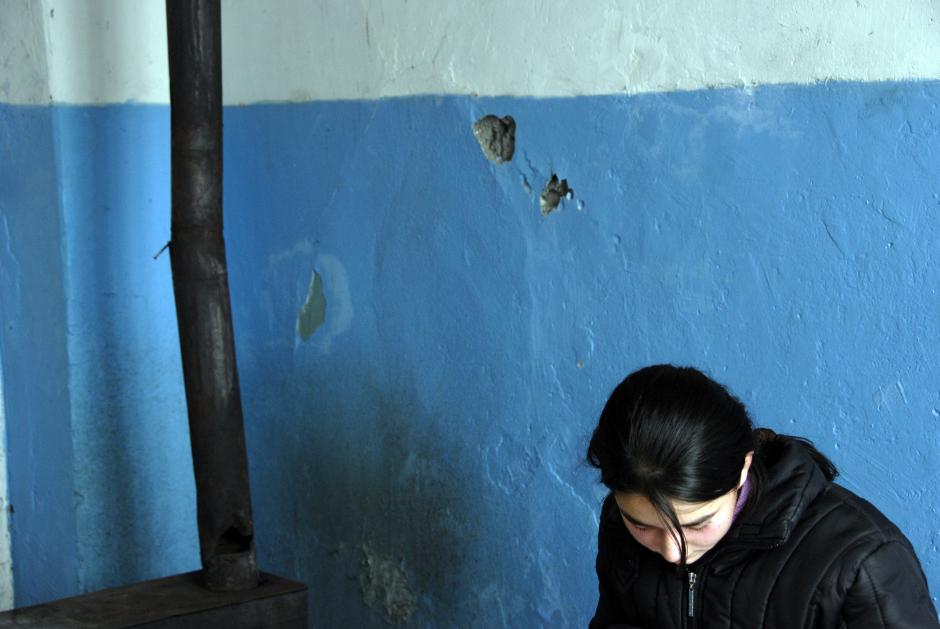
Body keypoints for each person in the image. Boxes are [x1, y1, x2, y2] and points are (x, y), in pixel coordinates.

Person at [586, 364, 938, 628]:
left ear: (743, 468)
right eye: (641, 525)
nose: (672, 552)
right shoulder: (619, 521)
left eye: (698, 524)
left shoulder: (863, 562)